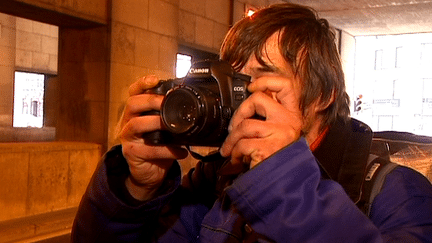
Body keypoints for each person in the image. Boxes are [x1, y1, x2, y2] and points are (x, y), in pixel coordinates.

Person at [71, 3, 432, 242]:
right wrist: (134, 191)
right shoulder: (215, 182)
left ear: (323, 96)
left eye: (261, 80)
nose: (242, 101)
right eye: (233, 83)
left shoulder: (396, 193)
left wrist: (283, 183)